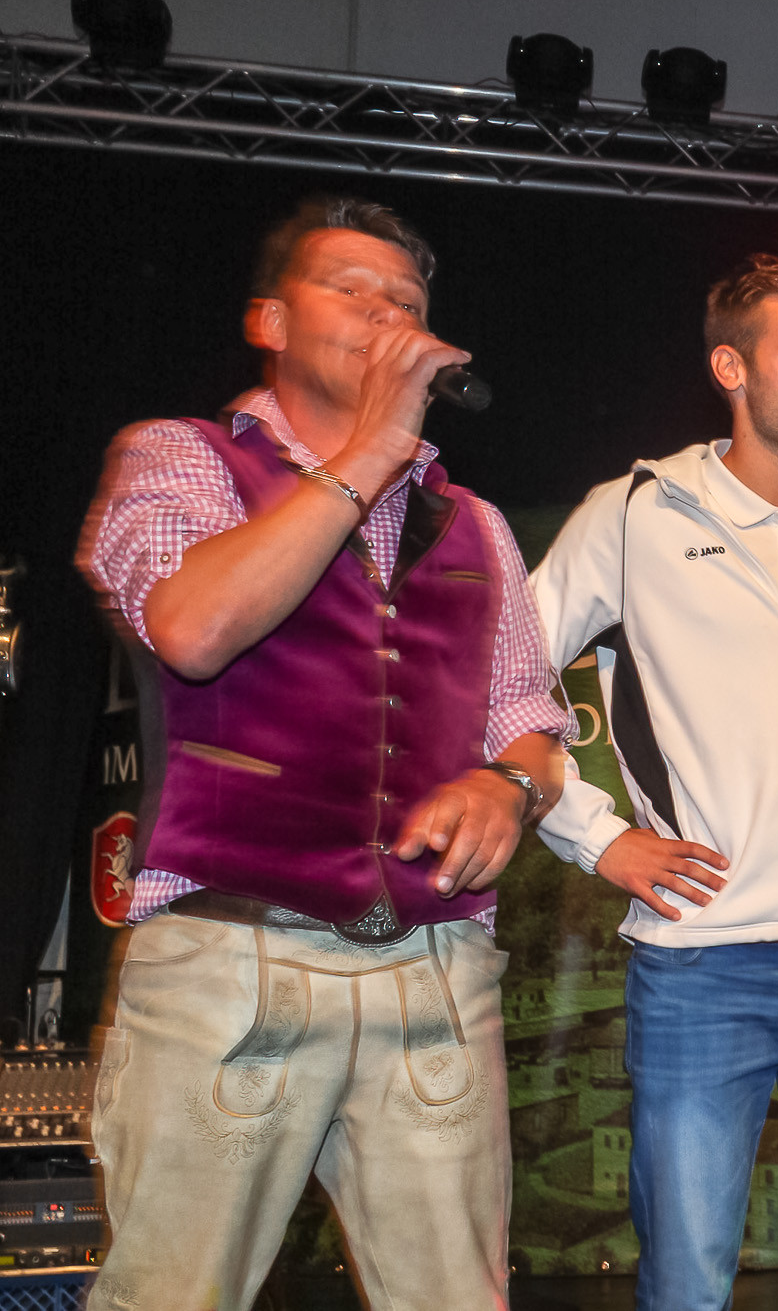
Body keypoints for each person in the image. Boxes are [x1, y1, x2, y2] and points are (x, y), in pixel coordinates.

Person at [76, 196, 570, 1311]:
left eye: (407, 300)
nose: (387, 312)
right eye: (352, 290)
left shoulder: (476, 523)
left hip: (435, 967)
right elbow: (194, 627)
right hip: (229, 960)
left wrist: (508, 783)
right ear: (270, 320)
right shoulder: (181, 457)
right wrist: (371, 451)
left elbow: (530, 721)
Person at [529, 254, 778, 1311]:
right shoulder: (635, 512)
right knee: (688, 1288)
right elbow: (496, 680)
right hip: (707, 961)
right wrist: (597, 835)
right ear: (730, 368)